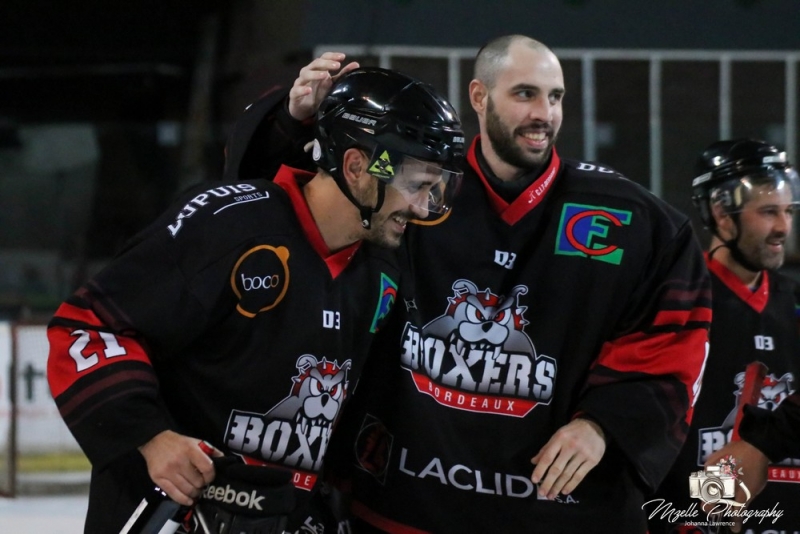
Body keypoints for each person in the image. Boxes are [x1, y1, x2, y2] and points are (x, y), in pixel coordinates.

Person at [224, 36, 712, 532]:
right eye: (525, 94)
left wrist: (604, 425)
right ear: (479, 97)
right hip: (400, 506)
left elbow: (675, 339)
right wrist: (291, 121)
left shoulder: (634, 220)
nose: (544, 113)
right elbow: (287, 210)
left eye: (556, 96)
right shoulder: (411, 190)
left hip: (557, 518)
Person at [45, 67, 464, 534]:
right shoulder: (228, 224)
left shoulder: (381, 272)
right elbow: (86, 326)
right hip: (171, 515)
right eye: (416, 185)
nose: (424, 208)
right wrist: (151, 438)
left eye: (434, 189)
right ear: (356, 167)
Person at [648, 139, 800, 534]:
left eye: (787, 211)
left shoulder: (794, 302)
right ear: (722, 213)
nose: (783, 227)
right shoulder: (676, 298)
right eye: (768, 212)